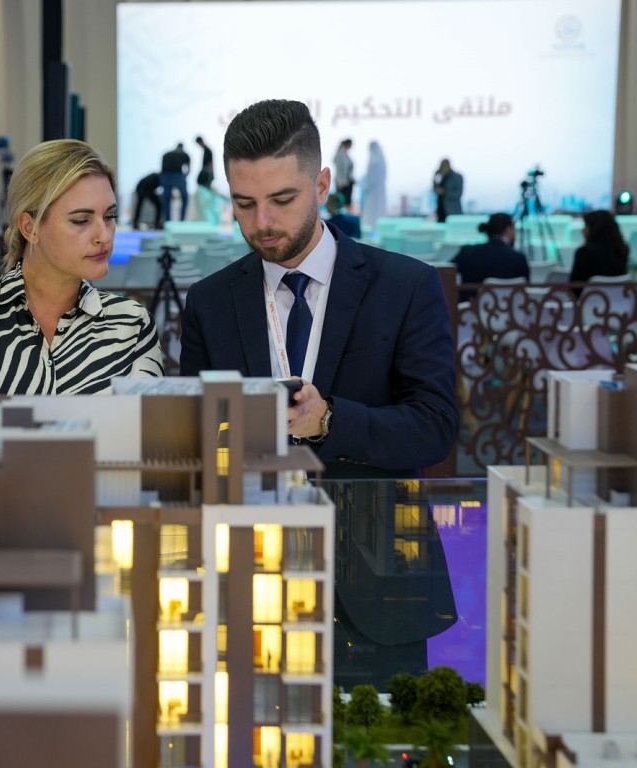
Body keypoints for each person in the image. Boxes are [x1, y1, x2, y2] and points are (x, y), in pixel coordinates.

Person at [178, 98, 459, 686]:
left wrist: (329, 420)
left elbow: (434, 428)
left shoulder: (405, 286)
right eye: (244, 204)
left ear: (323, 184)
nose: (262, 222)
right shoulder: (209, 302)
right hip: (250, 588)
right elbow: (198, 442)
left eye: (282, 200)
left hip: (379, 586)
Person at [0, 139, 164, 394]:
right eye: (81, 220)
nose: (104, 235)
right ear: (30, 228)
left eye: (110, 216)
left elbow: (148, 421)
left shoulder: (132, 323)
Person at [452, 213, 530, 302]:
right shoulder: (519, 259)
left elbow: (445, 272)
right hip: (511, 310)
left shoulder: (467, 253)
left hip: (471, 309)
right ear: (508, 230)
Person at [569, 209, 630, 283]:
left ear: (594, 228)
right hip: (618, 291)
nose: (583, 230)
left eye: (586, 225)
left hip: (591, 291)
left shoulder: (583, 253)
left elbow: (575, 285)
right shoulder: (622, 251)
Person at [359, 141, 387, 232]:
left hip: (373, 191)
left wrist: (368, 185)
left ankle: (372, 228)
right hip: (377, 191)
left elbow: (373, 178)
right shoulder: (380, 160)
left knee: (372, 211)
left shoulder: (374, 161)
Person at [160, 142, 191, 222]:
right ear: (182, 147)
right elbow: (188, 169)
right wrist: (184, 177)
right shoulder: (184, 154)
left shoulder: (166, 154)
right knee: (185, 198)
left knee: (166, 200)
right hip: (178, 176)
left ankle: (167, 221)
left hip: (166, 176)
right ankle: (182, 220)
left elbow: (162, 170)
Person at [433, 158, 463, 222]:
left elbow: (458, 193)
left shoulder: (457, 177)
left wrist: (444, 192)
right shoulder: (439, 175)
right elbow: (435, 187)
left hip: (453, 210)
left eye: (444, 165)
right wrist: (437, 174)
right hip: (440, 209)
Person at [332, 138, 354, 207]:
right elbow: (339, 169)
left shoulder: (345, 154)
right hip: (342, 182)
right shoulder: (340, 155)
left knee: (347, 201)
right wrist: (340, 181)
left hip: (348, 181)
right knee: (341, 201)